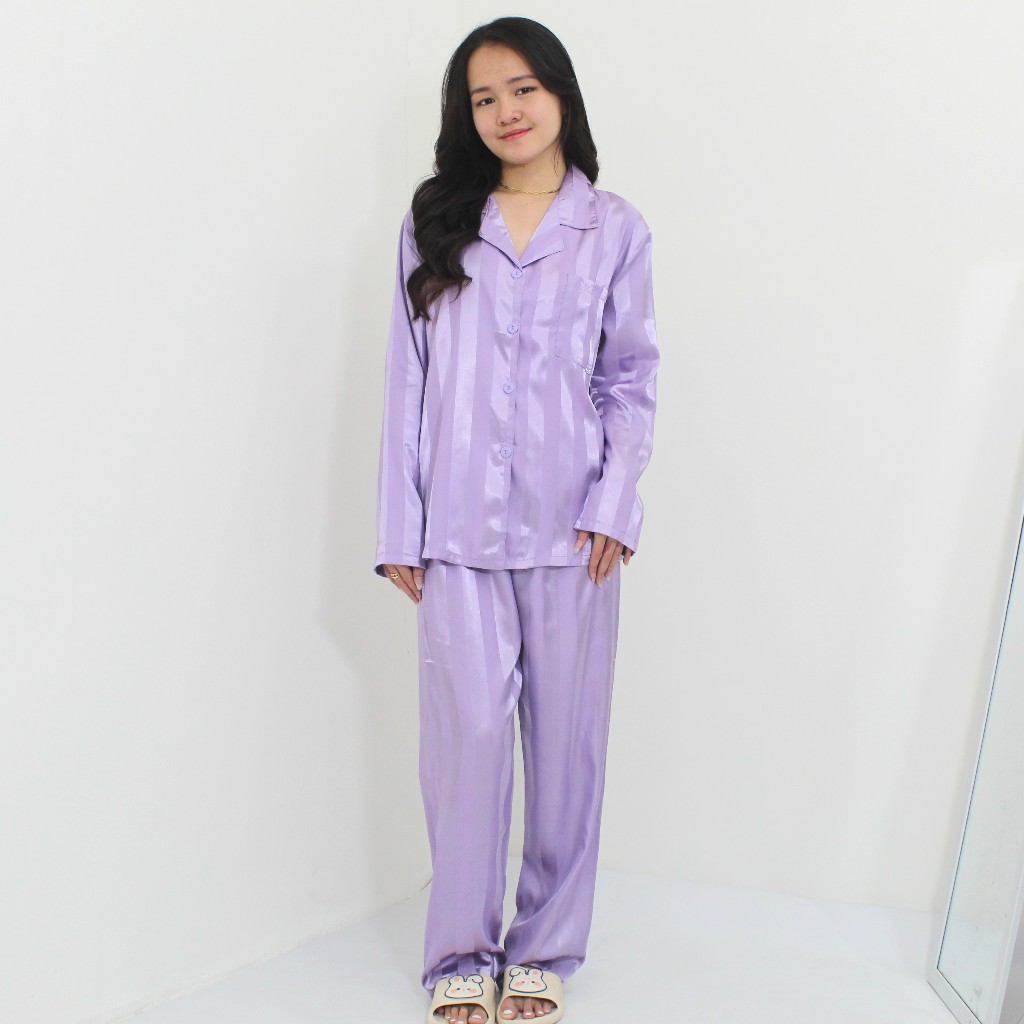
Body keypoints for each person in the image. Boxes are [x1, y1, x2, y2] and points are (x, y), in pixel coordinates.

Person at [373, 15, 659, 1024]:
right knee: (468, 743)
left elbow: (629, 378)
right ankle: (460, 951)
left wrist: (615, 504)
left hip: (573, 532)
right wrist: (398, 526)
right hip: (453, 530)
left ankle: (544, 947)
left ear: (561, 95)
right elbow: (406, 380)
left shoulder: (613, 229)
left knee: (568, 746)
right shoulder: (435, 223)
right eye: (484, 97)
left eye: (523, 89)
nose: (506, 111)